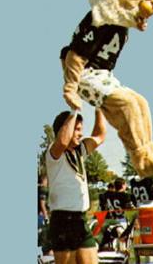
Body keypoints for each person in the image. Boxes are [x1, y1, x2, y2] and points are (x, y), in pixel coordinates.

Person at [46, 108, 106, 264]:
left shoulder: (79, 152)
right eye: (77, 129)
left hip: (80, 219)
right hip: (63, 221)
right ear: (64, 129)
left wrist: (99, 107)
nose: (80, 134)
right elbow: (63, 141)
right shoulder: (54, 152)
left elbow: (100, 136)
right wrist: (74, 109)